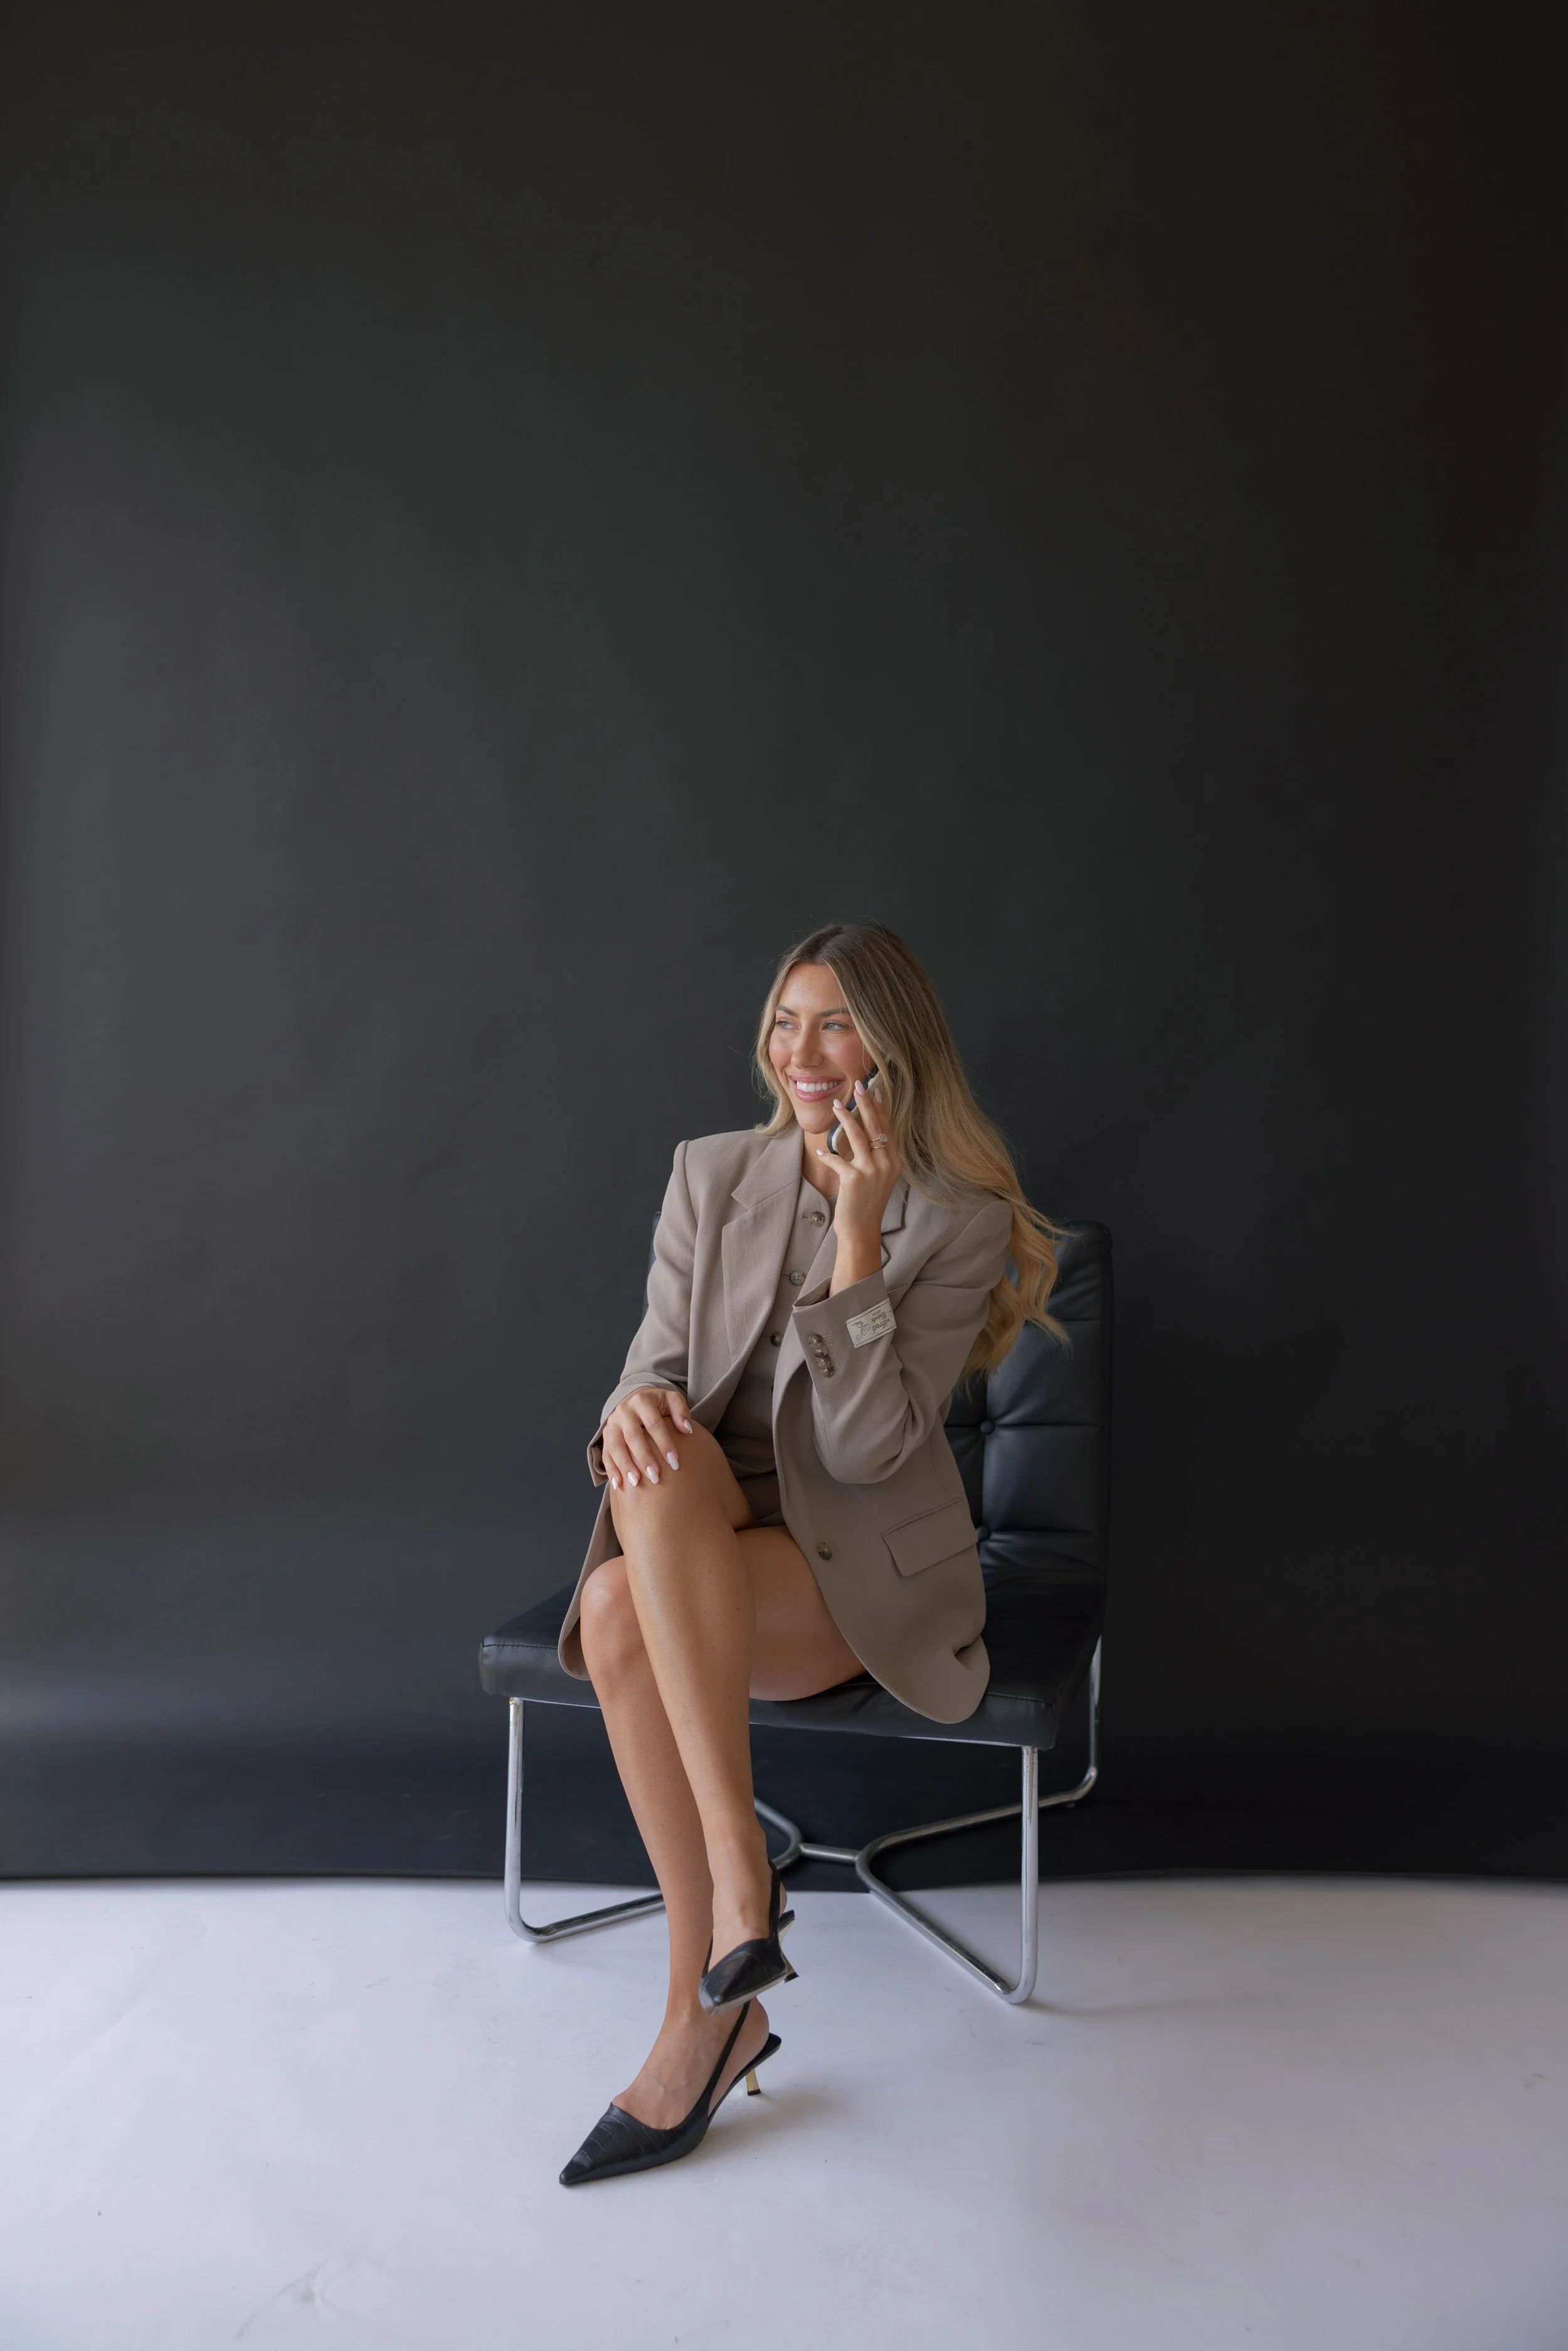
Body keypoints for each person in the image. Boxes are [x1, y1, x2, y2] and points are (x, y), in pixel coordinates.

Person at [555, 920, 1061, 2185]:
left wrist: (856, 1240)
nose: (803, 1051)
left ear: (893, 1047)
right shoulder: (712, 1172)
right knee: (652, 1463)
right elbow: (655, 1357)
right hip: (704, 1521)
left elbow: (875, 1443)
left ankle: (712, 1995)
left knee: (617, 1608)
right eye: (786, 1020)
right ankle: (733, 1915)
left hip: (852, 1564)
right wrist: (624, 1402)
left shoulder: (955, 1218)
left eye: (834, 1021)